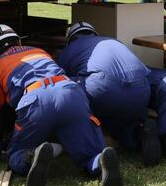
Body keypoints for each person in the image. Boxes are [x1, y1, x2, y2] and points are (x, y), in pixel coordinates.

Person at [0, 24, 122, 186]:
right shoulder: (39, 51)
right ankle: (100, 161)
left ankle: (31, 156)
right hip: (70, 92)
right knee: (89, 152)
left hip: (35, 100)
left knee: (16, 154)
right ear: (18, 41)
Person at [57, 22, 160, 166]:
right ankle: (138, 134)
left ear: (71, 39)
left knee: (65, 86)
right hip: (142, 89)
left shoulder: (69, 50)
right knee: (122, 115)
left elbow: (57, 79)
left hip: (104, 90)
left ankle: (97, 145)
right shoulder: (112, 40)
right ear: (94, 33)